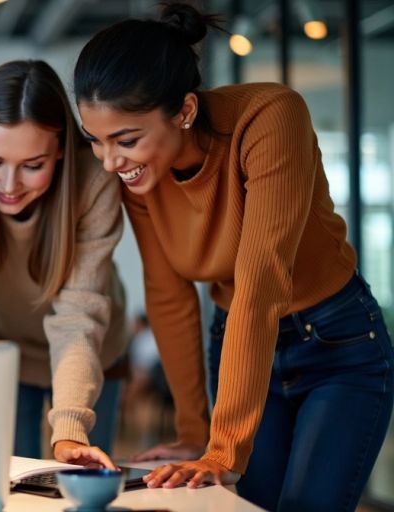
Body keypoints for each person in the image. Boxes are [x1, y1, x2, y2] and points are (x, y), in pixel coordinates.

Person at [73, 3, 394, 510]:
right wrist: (193, 430)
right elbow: (169, 293)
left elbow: (261, 280)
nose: (111, 162)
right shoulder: (140, 175)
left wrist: (222, 449)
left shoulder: (269, 118)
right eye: (96, 141)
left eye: (126, 140)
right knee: (249, 506)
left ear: (184, 111)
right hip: (238, 345)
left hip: (335, 344)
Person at [0, 60, 127, 469]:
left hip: (88, 352)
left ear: (60, 152)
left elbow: (77, 317)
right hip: (5, 354)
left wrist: (69, 428)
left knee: (75, 476)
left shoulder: (94, 182)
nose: (9, 185)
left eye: (32, 166)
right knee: (7, 479)